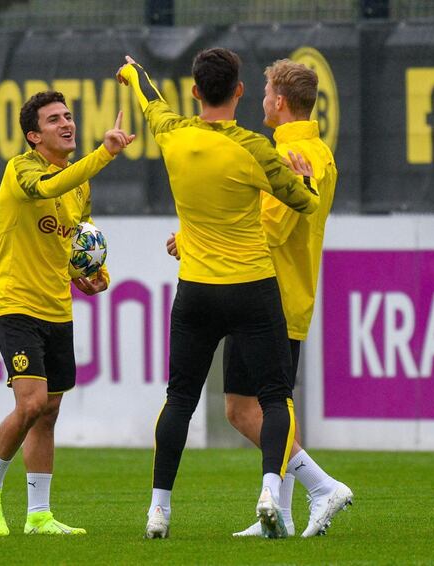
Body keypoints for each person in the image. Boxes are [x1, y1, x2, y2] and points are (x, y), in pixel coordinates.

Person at [117, 49, 320, 539]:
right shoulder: (254, 147)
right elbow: (305, 204)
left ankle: (158, 509)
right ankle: (271, 491)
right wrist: (304, 179)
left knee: (180, 398)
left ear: (194, 91)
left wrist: (131, 72)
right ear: (240, 92)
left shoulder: (173, 134)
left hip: (197, 290)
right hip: (251, 287)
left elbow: (149, 99)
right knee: (274, 397)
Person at [166, 58, 352, 538]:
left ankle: (321, 486)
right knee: (261, 405)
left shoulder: (293, 155)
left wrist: (191, 239)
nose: (261, 100)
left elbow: (268, 225)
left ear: (280, 102)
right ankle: (285, 514)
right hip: (279, 290)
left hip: (271, 294)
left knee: (254, 407)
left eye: (267, 93)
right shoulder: (310, 150)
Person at [0, 91, 134, 536]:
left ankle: (39, 514)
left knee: (49, 412)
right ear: (33, 135)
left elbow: (76, 240)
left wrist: (92, 275)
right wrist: (106, 153)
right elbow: (47, 188)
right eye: (54, 119)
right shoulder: (22, 169)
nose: (67, 124)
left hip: (57, 308)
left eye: (68, 116)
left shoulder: (80, 183)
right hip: (15, 304)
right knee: (31, 403)